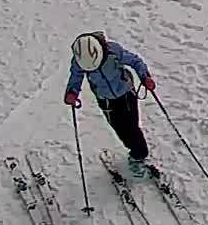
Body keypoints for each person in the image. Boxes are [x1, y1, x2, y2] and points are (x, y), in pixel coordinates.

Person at [62, 32, 154, 165]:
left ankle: (139, 155)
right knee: (120, 129)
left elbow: (135, 61)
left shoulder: (113, 51)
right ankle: (135, 150)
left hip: (126, 94)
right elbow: (76, 77)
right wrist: (72, 92)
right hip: (106, 101)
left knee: (132, 127)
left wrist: (145, 76)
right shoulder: (79, 60)